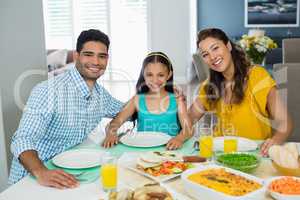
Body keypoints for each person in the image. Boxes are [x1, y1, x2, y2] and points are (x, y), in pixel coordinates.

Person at [9, 29, 124, 188]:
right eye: (88, 54)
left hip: (69, 173)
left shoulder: (100, 95)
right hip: (32, 179)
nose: (96, 62)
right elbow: (22, 139)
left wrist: (155, 93)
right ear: (77, 56)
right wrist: (41, 172)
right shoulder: (49, 91)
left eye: (102, 56)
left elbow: (127, 110)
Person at [188, 28, 292, 156]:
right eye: (205, 54)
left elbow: (285, 122)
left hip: (255, 154)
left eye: (215, 48)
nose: (212, 57)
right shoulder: (210, 85)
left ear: (228, 46)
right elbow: (190, 117)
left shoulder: (257, 76)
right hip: (221, 154)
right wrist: (178, 102)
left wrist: (275, 141)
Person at [102, 52, 192, 150]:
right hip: (142, 153)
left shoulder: (177, 99)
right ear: (143, 75)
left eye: (160, 75)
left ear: (169, 74)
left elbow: (188, 130)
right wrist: (111, 133)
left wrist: (179, 139)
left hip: (169, 151)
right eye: (149, 75)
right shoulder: (137, 99)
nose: (155, 80)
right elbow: (113, 124)